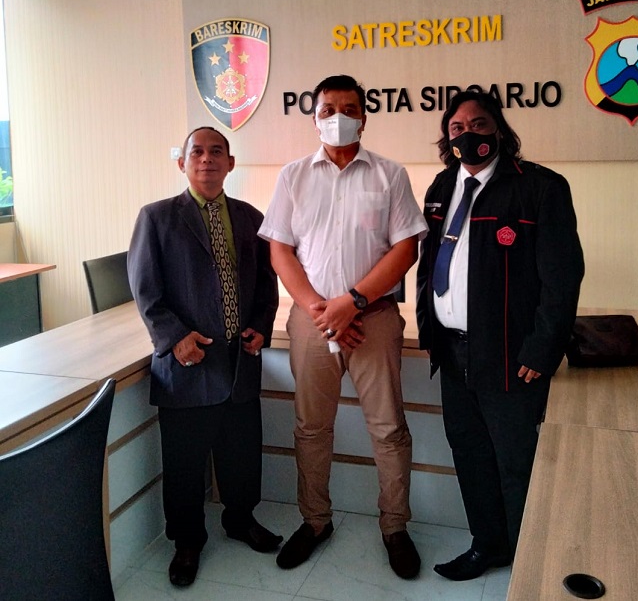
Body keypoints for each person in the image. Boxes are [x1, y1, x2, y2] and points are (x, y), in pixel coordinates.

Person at [258, 74, 428, 579]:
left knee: (389, 428)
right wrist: (321, 310)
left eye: (349, 109)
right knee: (311, 427)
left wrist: (352, 304)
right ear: (314, 118)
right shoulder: (293, 176)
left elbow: (406, 248)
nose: (338, 118)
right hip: (312, 321)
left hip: (373, 319)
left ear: (364, 118)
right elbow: (280, 250)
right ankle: (315, 521)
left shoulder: (390, 175)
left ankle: (395, 527)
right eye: (328, 109)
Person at [416, 90, 584, 581]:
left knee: (517, 463)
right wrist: (430, 331)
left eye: (479, 124)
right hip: (453, 352)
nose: (467, 134)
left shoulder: (540, 187)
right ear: (447, 139)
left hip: (512, 356)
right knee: (470, 454)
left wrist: (543, 348)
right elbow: (429, 265)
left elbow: (562, 277)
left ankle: (532, 562)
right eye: (457, 128)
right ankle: (488, 546)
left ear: (499, 130)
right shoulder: (442, 186)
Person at [128, 126, 281, 588]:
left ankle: (240, 519)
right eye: (197, 152)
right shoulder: (157, 218)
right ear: (183, 162)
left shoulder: (252, 218)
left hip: (239, 360)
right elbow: (146, 290)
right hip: (188, 362)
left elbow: (266, 284)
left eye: (217, 152)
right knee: (184, 462)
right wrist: (175, 338)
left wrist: (261, 326)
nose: (207, 159)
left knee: (241, 452)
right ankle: (187, 541)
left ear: (231, 163)